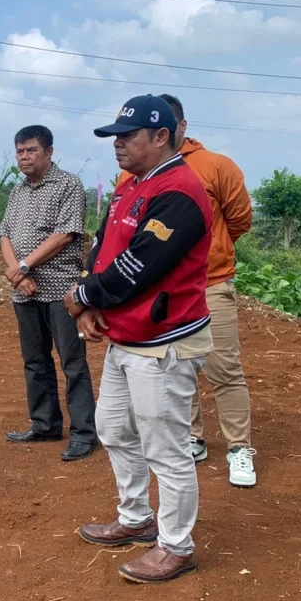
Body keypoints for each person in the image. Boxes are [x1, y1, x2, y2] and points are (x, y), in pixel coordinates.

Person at [64, 94, 213, 583]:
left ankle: (177, 546)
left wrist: (81, 295)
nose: (118, 145)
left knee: (166, 448)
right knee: (113, 430)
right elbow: (104, 249)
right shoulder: (133, 186)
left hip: (164, 341)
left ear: (162, 136)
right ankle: (136, 518)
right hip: (125, 338)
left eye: (127, 136)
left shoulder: (182, 193)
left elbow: (137, 268)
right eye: (115, 137)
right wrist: (87, 300)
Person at [113, 94, 256, 486]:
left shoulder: (216, 167)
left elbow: (239, 219)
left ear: (178, 128)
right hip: (156, 288)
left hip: (209, 283)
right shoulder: (131, 175)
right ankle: (192, 437)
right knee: (175, 367)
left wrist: (211, 252)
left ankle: (239, 447)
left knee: (224, 368)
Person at [0, 125, 98, 461]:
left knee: (72, 363)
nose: (24, 157)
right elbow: (5, 234)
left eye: (31, 151)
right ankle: (45, 424)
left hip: (60, 289)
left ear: (49, 152)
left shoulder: (68, 185)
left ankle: (84, 433)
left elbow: (65, 235)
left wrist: (23, 266)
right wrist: (17, 274)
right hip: (25, 291)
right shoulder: (18, 191)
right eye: (20, 151)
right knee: (35, 360)